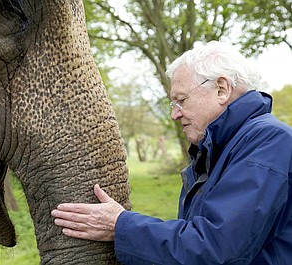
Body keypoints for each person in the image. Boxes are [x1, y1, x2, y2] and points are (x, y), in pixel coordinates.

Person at [51, 41, 292, 264]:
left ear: (221, 89)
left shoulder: (268, 141)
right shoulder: (222, 147)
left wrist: (121, 226)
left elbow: (217, 250)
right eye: (172, 103)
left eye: (181, 100)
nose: (174, 114)